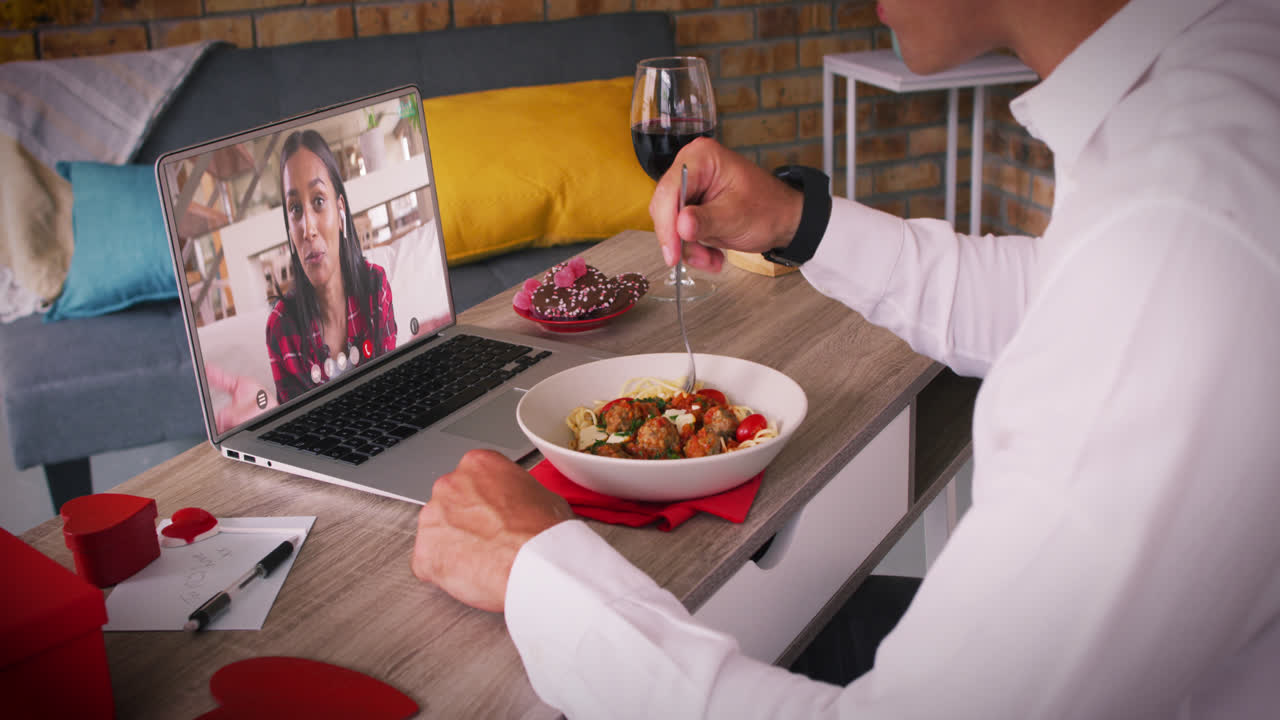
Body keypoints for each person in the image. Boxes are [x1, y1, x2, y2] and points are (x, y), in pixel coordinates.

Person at [411, 0, 1280, 717]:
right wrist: (799, 222)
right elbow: (1058, 300)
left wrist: (542, 571)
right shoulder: (1215, 97)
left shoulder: (1181, 233)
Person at [266, 129, 397, 404]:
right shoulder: (281, 328)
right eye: (295, 209)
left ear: (340, 211)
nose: (308, 229)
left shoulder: (375, 288)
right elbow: (297, 432)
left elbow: (391, 391)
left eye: (318, 201)